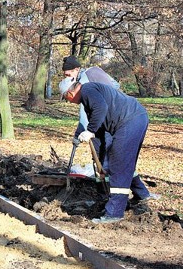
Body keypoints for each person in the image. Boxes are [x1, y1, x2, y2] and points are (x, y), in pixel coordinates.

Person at [62, 55, 158, 204]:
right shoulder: (93, 73)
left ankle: (107, 197)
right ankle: (141, 193)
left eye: (69, 75)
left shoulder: (85, 83)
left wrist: (86, 131)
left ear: (76, 69)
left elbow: (91, 111)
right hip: (111, 119)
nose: (69, 78)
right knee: (119, 160)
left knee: (108, 162)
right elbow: (111, 91)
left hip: (112, 121)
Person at [59, 77, 152, 223]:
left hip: (130, 120)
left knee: (119, 164)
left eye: (66, 99)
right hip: (134, 118)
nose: (69, 102)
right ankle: (139, 195)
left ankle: (114, 213)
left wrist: (90, 130)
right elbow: (100, 126)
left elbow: (101, 109)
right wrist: (102, 162)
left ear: (69, 94)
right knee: (120, 162)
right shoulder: (89, 96)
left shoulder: (87, 90)